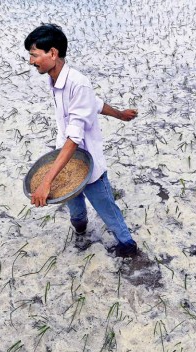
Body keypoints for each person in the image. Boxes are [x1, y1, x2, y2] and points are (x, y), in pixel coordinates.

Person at [24, 23, 138, 258]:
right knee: (76, 212)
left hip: (88, 164)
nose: (31, 61)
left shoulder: (78, 83)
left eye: (34, 55)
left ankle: (128, 246)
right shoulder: (55, 80)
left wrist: (46, 181)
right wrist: (120, 114)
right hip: (65, 162)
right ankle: (81, 234)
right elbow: (95, 105)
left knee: (107, 210)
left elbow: (74, 138)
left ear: (52, 53)